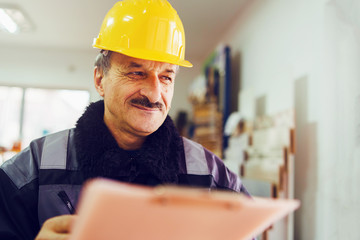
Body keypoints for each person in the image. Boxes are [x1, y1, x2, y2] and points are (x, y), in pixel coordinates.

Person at [0, 0, 250, 239]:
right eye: (136, 72)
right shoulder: (35, 168)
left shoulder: (209, 174)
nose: (154, 94)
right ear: (100, 80)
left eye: (166, 77)